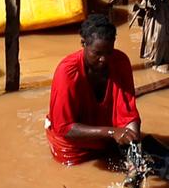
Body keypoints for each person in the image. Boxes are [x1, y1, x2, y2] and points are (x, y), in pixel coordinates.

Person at [47, 14, 152, 164]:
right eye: (97, 53)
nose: (104, 59)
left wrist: (134, 147)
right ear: (83, 44)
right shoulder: (67, 72)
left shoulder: (120, 62)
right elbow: (65, 128)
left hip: (108, 139)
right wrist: (111, 132)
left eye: (109, 52)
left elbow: (127, 114)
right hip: (72, 147)